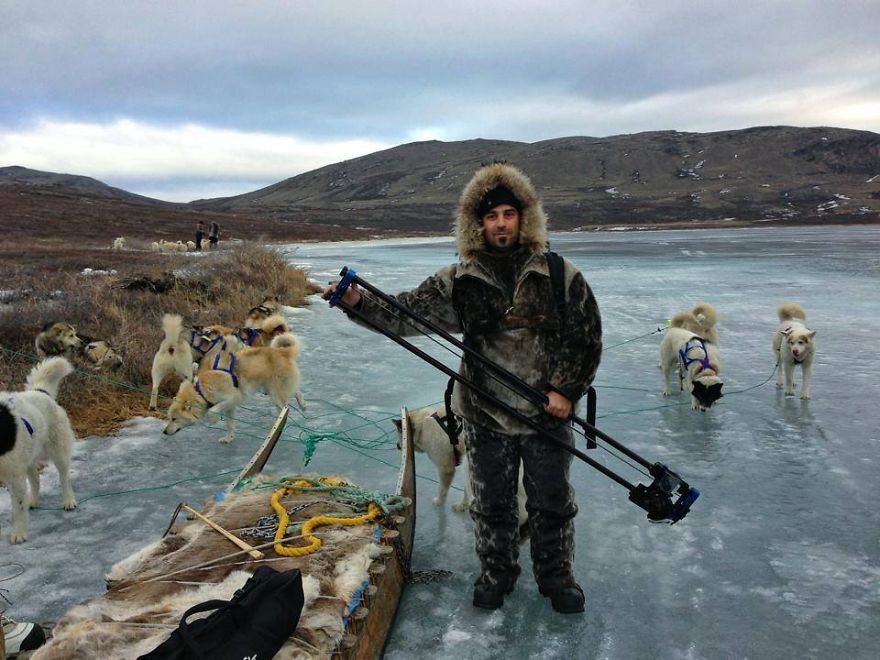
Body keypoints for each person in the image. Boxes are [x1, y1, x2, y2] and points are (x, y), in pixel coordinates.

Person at [324, 163, 602, 613]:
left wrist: (567, 390)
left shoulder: (558, 273)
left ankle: (557, 578)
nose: (501, 224)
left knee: (552, 503)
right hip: (484, 412)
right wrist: (357, 303)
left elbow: (586, 336)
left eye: (509, 214)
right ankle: (496, 574)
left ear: (523, 218)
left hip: (545, 415)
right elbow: (406, 313)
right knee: (491, 505)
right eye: (491, 217)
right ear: (478, 224)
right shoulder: (460, 279)